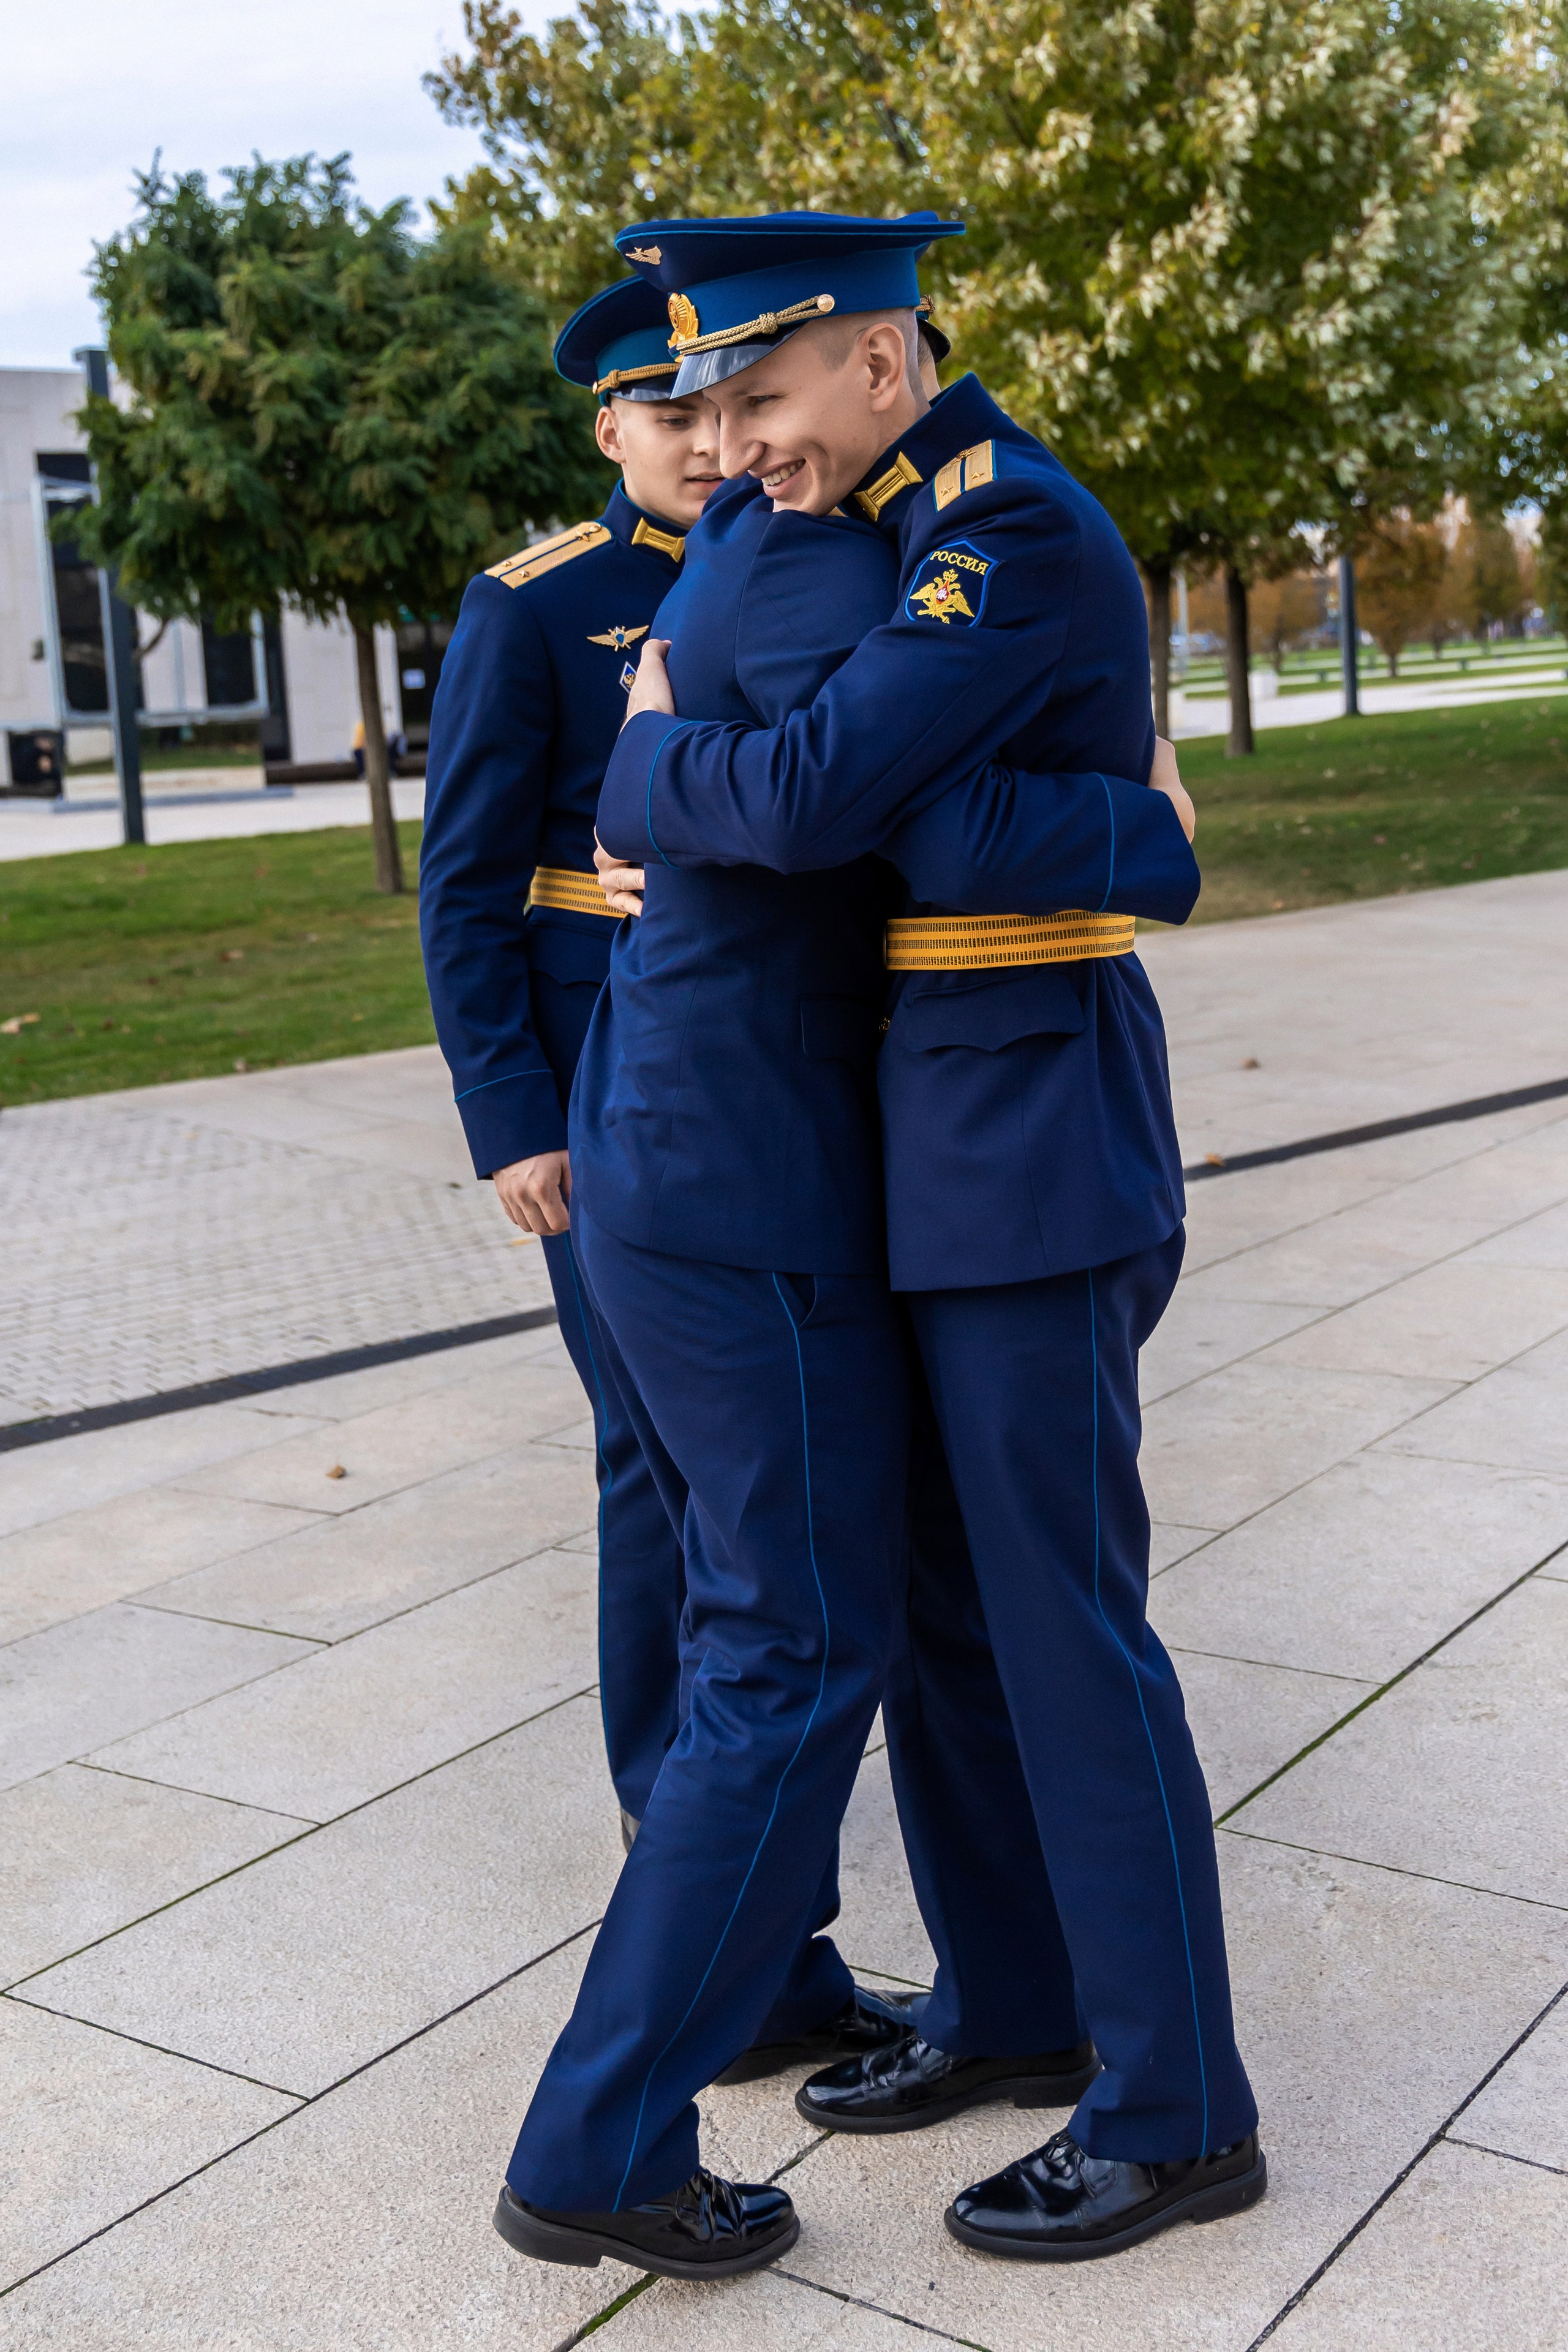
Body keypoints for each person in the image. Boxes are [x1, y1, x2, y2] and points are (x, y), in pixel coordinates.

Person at [492, 215, 1205, 2283]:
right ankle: (906, 2043)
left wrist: (656, 764)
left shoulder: (942, 533)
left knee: (999, 1622)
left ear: (879, 362)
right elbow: (844, 809)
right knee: (845, 1637)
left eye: (752, 395)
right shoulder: (803, 539)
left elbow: (857, 812)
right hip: (774, 1173)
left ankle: (1136, 2081)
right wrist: (1141, 821)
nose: (722, 443)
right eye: (695, 406)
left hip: (905, 1148)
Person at [419, 277, 714, 1844]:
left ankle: (746, 1752)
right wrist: (509, 1118)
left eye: (713, 406)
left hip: (768, 1068)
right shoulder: (534, 602)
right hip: (593, 1072)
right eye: (663, 414)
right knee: (650, 1444)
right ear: (608, 425)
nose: (696, 441)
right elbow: (461, 881)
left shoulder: (810, 562)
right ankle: (667, 1808)